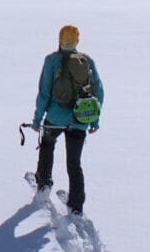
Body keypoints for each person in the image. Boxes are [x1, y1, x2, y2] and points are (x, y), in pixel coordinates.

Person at [31, 23, 103, 212]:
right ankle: (76, 205)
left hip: (55, 118)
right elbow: (99, 92)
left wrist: (37, 120)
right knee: (74, 162)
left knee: (47, 146)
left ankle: (44, 184)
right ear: (77, 41)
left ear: (60, 40)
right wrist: (94, 120)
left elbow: (44, 92)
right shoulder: (86, 61)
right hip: (80, 119)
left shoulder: (51, 61)